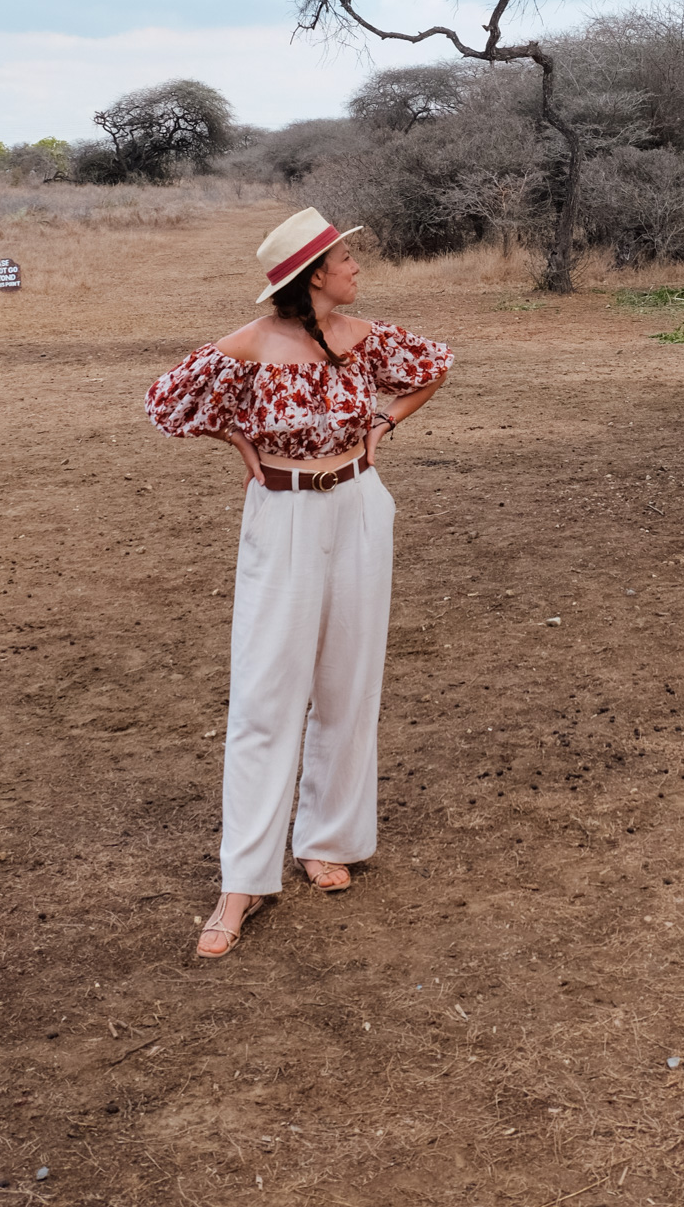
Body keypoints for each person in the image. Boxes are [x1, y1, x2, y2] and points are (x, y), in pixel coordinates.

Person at [144, 209, 453, 959]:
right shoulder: (247, 348)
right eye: (346, 259)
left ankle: (328, 838)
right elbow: (167, 404)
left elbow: (433, 367)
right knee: (264, 696)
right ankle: (242, 881)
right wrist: (236, 435)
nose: (356, 268)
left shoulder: (363, 337)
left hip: (358, 508)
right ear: (314, 275)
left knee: (349, 683)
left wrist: (385, 420)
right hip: (281, 515)